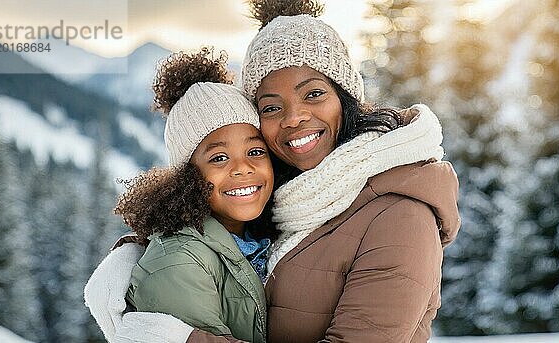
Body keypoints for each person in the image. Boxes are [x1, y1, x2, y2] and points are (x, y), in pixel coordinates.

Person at [84, 1, 461, 342]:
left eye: (313, 93)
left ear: (345, 97)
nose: (294, 117)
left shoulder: (399, 216)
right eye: (270, 107)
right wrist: (137, 255)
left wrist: (182, 341)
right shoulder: (292, 197)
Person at [91, 47, 276, 343]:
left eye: (255, 151)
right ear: (187, 176)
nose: (243, 168)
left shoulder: (254, 237)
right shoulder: (180, 262)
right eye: (218, 158)